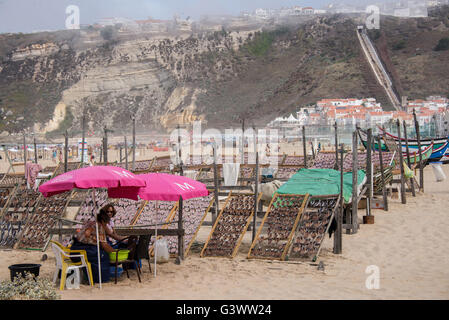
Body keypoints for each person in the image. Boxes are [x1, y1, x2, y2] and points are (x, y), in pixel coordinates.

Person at [70, 210, 116, 283]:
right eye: (106, 223)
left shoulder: (90, 223)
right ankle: (99, 279)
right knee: (103, 256)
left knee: (98, 253)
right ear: (104, 222)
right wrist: (115, 252)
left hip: (74, 251)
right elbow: (104, 245)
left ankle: (90, 276)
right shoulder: (99, 227)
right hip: (84, 251)